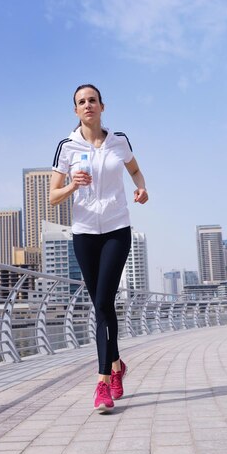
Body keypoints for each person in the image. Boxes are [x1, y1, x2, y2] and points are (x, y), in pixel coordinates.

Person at [50, 84, 148, 413]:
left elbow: (134, 169)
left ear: (102, 106)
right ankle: (118, 363)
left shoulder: (119, 140)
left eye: (93, 100)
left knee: (104, 301)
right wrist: (71, 185)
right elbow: (52, 196)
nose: (88, 105)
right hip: (85, 233)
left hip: (117, 229)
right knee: (102, 308)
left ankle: (103, 381)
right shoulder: (66, 146)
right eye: (81, 101)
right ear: (75, 110)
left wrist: (141, 188)